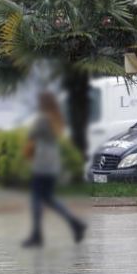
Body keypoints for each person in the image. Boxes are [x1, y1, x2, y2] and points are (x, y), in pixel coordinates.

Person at [22, 93, 87, 248]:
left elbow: (31, 138)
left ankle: (37, 235)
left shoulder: (43, 119)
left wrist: (27, 156)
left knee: (37, 199)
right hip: (52, 164)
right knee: (48, 199)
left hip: (42, 164)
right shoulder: (57, 119)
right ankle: (75, 224)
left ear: (43, 103)